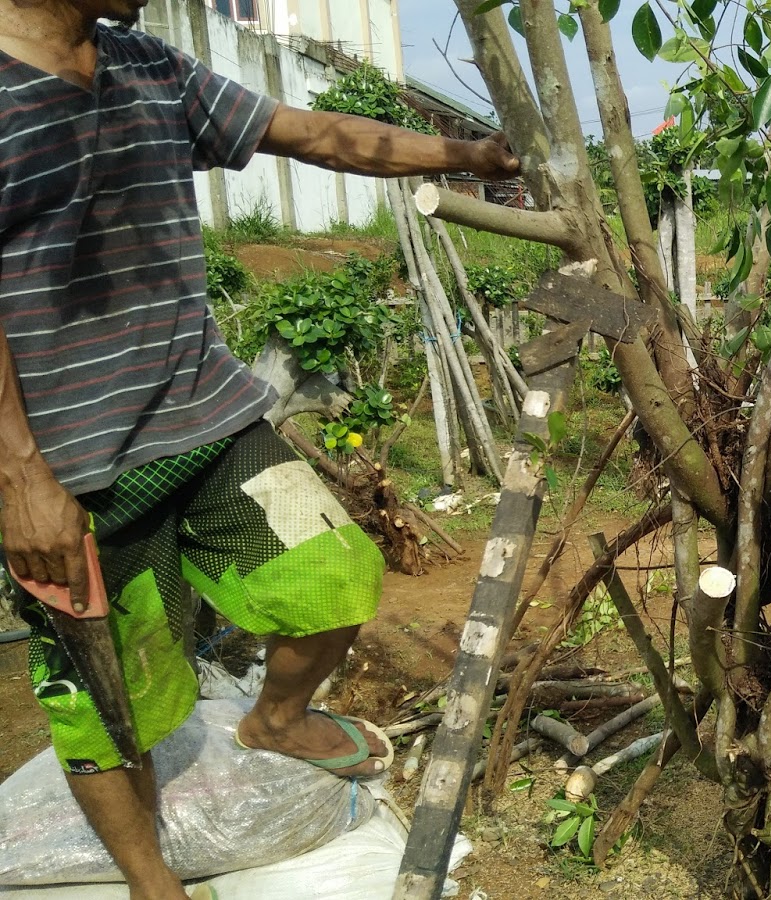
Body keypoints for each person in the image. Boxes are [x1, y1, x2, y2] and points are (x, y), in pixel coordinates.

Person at [0, 2, 519, 898]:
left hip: (207, 418)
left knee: (336, 572)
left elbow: (316, 132)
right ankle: (149, 878)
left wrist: (471, 157)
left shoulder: (147, 65)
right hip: (69, 468)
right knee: (109, 702)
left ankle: (276, 719)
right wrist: (16, 476)